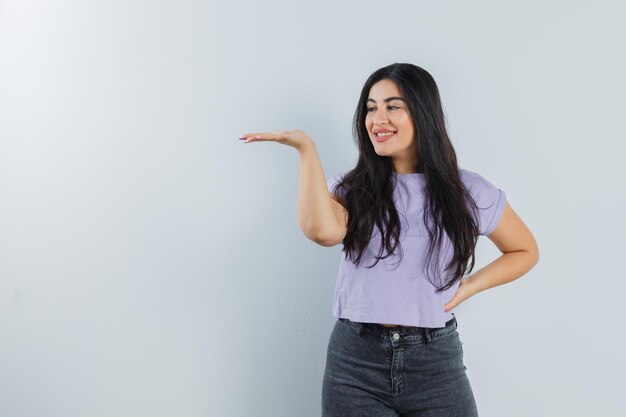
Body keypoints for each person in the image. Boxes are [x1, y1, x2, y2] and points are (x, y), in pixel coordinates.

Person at [239, 62, 539, 417]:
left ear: (422, 113)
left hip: (435, 363)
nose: (377, 119)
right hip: (355, 363)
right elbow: (322, 231)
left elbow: (524, 250)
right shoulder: (351, 190)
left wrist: (470, 286)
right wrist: (306, 149)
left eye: (392, 106)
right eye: (371, 108)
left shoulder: (468, 191)